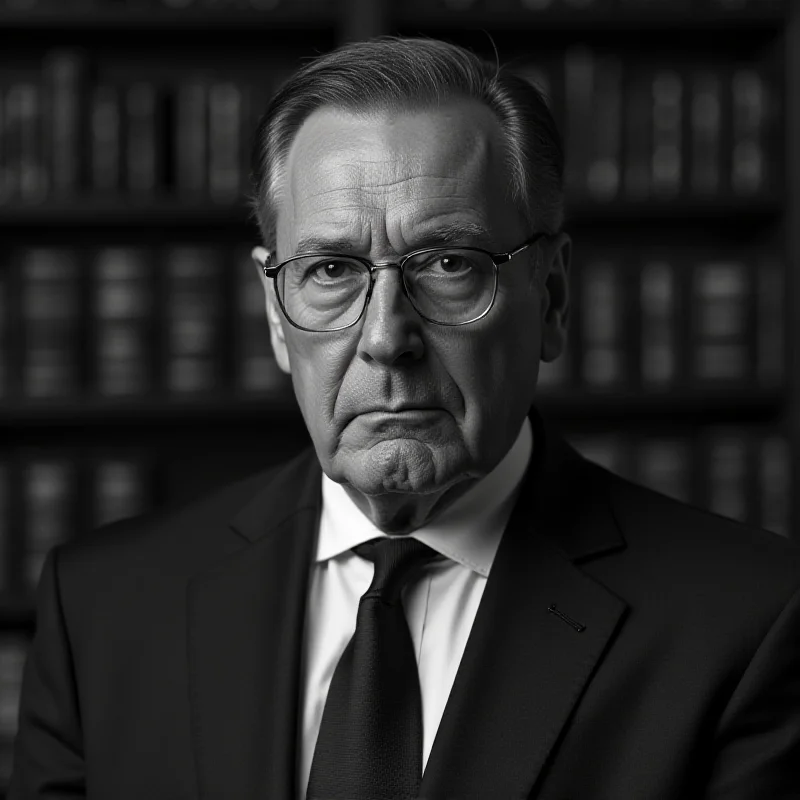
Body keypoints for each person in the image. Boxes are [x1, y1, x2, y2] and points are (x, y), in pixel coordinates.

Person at [9, 36, 800, 800]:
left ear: (552, 296)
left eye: (449, 264)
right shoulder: (102, 612)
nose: (388, 338)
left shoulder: (747, 623)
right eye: (329, 270)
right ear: (277, 316)